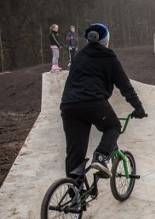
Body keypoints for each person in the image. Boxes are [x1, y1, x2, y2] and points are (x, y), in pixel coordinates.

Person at [60, 23, 147, 179]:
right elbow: (125, 86)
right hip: (93, 102)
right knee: (113, 126)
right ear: (106, 41)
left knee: (74, 156)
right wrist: (138, 108)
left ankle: (75, 198)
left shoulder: (79, 56)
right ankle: (101, 156)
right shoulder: (109, 57)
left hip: (69, 106)